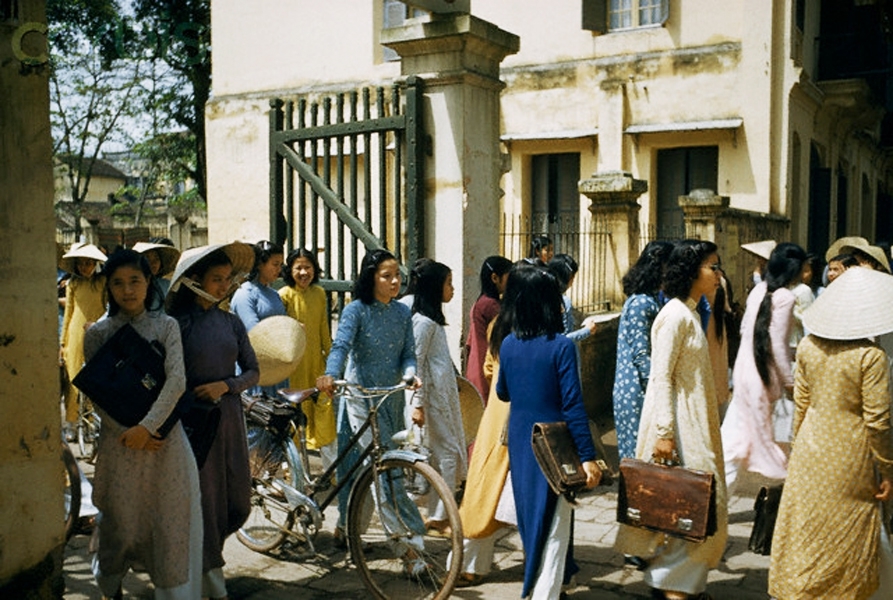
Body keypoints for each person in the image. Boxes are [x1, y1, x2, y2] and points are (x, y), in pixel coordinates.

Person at [83, 249, 202, 600]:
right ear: (108, 287)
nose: (128, 290)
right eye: (118, 283)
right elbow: (97, 392)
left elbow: (177, 380)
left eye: (135, 281)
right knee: (119, 523)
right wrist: (127, 433)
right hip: (119, 449)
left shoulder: (167, 326)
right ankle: (110, 587)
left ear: (148, 282)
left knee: (169, 523)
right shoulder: (98, 334)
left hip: (165, 445)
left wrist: (148, 428)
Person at [769, 266, 893, 600]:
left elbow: (802, 404)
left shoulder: (809, 346)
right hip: (852, 453)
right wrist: (889, 468)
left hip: (811, 444)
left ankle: (802, 589)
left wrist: (797, 451)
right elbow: (878, 421)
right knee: (848, 529)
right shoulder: (871, 356)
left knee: (810, 526)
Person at [614, 239, 728, 600]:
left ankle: (679, 584)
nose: (718, 273)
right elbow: (661, 376)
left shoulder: (692, 312)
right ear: (692, 271)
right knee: (689, 501)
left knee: (697, 504)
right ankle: (672, 586)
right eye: (713, 266)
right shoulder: (674, 316)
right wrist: (664, 433)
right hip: (679, 424)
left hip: (694, 420)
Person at [496, 263, 601, 600]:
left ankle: (544, 587)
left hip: (522, 440)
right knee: (555, 525)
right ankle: (545, 593)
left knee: (531, 518)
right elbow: (573, 406)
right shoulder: (561, 347)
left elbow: (503, 392)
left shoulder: (509, 344)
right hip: (556, 445)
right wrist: (589, 457)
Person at [315, 248, 424, 566]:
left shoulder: (403, 313)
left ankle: (345, 529)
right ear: (370, 277)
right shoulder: (356, 310)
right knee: (374, 472)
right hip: (359, 400)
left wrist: (409, 373)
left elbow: (409, 353)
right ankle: (406, 545)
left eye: (397, 276)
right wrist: (331, 375)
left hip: (389, 399)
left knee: (374, 469)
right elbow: (341, 347)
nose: (394, 282)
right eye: (386, 276)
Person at [166, 242, 259, 600]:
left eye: (227, 279)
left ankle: (209, 567)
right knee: (204, 501)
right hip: (193, 423)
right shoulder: (176, 324)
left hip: (230, 419)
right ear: (193, 281)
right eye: (216, 279)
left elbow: (254, 370)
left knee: (236, 501)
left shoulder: (231, 322)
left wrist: (228, 385)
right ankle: (208, 583)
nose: (224, 286)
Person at [720, 242, 806, 491]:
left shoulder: (759, 291)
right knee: (744, 444)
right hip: (761, 377)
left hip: (744, 373)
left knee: (733, 441)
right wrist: (790, 383)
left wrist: (794, 353)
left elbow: (750, 332)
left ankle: (714, 504)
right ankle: (713, 506)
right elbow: (776, 345)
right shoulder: (786, 297)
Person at [456, 295, 518, 587]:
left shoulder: (499, 325)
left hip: (495, 412)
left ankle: (470, 564)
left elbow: (488, 369)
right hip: (523, 415)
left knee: (482, 489)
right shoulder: (535, 330)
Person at [409, 260, 467, 534]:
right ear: (434, 287)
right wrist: (418, 404)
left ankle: (438, 513)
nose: (452, 289)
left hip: (443, 397)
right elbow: (416, 363)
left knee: (445, 453)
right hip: (431, 400)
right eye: (448, 283)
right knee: (447, 454)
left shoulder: (432, 322)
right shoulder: (422, 323)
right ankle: (440, 514)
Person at [612, 240, 673, 460]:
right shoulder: (641, 304)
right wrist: (656, 389)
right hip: (636, 390)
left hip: (636, 389)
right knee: (638, 458)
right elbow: (641, 353)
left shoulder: (646, 300)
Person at [279, 248, 336, 467]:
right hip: (294, 367)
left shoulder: (320, 294)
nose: (304, 272)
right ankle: (293, 471)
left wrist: (331, 363)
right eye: (298, 268)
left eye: (308, 267)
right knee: (295, 416)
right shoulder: (284, 295)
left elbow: (324, 330)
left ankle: (332, 471)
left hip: (317, 367)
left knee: (325, 414)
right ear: (289, 270)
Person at [60, 242, 108, 441]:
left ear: (95, 263)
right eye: (81, 264)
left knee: (92, 381)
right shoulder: (72, 284)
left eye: (89, 263)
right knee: (73, 382)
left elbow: (109, 309)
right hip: (74, 336)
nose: (85, 267)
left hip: (97, 332)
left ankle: (89, 425)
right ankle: (71, 424)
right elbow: (69, 313)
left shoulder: (104, 282)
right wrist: (63, 344)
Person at [230, 240, 287, 395]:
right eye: (275, 264)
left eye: (281, 265)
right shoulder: (244, 294)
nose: (279, 269)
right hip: (253, 369)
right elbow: (254, 333)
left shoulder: (274, 294)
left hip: (275, 368)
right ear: (260, 264)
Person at [464, 255, 512, 401]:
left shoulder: (481, 301)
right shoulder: (491, 306)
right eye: (508, 277)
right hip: (485, 366)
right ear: (495, 278)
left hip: (475, 365)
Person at [548, 253, 598, 342]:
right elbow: (562, 340)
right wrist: (587, 331)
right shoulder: (563, 302)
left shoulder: (540, 298)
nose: (572, 282)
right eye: (572, 277)